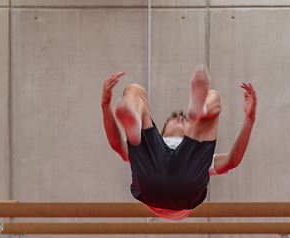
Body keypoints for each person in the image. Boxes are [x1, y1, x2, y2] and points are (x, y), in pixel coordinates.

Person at [101, 66, 256, 220]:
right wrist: (105, 106)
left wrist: (106, 105)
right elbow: (232, 162)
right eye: (175, 117)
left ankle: (200, 110)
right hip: (183, 186)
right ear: (160, 132)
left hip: (154, 182)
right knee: (134, 90)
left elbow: (232, 160)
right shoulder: (160, 146)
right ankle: (136, 119)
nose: (180, 118)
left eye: (184, 118)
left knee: (135, 91)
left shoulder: (200, 158)